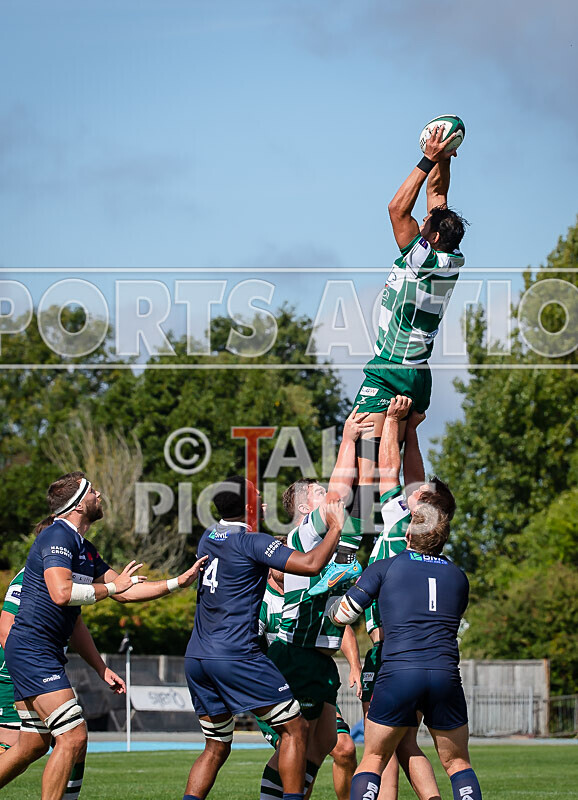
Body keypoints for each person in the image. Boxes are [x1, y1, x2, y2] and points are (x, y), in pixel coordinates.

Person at [315, 125, 468, 594]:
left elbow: (396, 208)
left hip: (391, 368)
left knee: (359, 445)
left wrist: (425, 159)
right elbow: (437, 201)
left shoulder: (417, 259)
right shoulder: (452, 257)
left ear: (426, 236)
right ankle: (399, 536)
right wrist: (444, 157)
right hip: (419, 373)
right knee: (394, 457)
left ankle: (345, 551)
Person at [0, 471, 206, 800]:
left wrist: (177, 583)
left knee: (33, 744)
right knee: (74, 737)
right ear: (79, 504)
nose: (99, 495)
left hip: (42, 654)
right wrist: (112, 587)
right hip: (32, 653)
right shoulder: (57, 536)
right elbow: (62, 593)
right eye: (92, 491)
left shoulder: (83, 547)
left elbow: (124, 593)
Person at [182, 473, 347, 800]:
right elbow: (312, 564)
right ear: (247, 506)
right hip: (235, 655)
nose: (264, 501)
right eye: (258, 497)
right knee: (296, 729)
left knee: (215, 746)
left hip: (197, 656)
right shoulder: (253, 542)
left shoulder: (208, 537)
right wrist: (337, 528)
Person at [329, 489, 482, 800]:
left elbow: (343, 616)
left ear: (409, 534)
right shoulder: (459, 577)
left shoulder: (387, 567)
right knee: (457, 762)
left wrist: (333, 592)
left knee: (374, 758)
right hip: (445, 674)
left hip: (399, 672)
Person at [261, 409, 371, 800]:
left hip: (317, 658)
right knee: (299, 742)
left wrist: (372, 442)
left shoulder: (326, 541)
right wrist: (347, 439)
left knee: (328, 743)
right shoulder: (301, 538)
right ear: (307, 508)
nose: (329, 496)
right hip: (293, 656)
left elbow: (359, 495)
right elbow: (341, 494)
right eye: (319, 493)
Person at [361, 395, 452, 800]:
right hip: (424, 652)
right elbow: (414, 480)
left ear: (422, 508)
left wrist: (394, 422)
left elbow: (389, 471)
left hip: (390, 652)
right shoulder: (429, 535)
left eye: (420, 493)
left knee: (378, 751)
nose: (414, 491)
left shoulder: (401, 525)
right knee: (404, 743)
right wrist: (412, 431)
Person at [257, 563, 359, 800]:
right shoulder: (262, 599)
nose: (285, 566)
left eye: (289, 559)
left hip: (311, 677)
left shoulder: (310, 589)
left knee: (343, 748)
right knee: (296, 750)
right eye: (279, 561)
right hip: (280, 683)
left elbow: (340, 624)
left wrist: (355, 665)